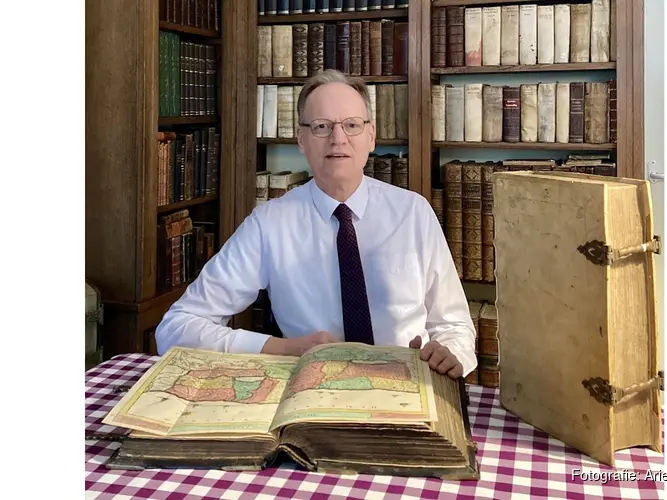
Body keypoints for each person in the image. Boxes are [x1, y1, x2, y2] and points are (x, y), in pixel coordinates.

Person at [155, 69, 477, 379]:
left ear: (371, 136)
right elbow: (176, 327)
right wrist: (281, 348)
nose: (338, 139)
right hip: (312, 391)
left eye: (351, 125)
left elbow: (455, 326)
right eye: (322, 126)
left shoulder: (413, 213)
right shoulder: (270, 223)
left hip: (408, 386)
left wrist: (450, 354)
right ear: (301, 140)